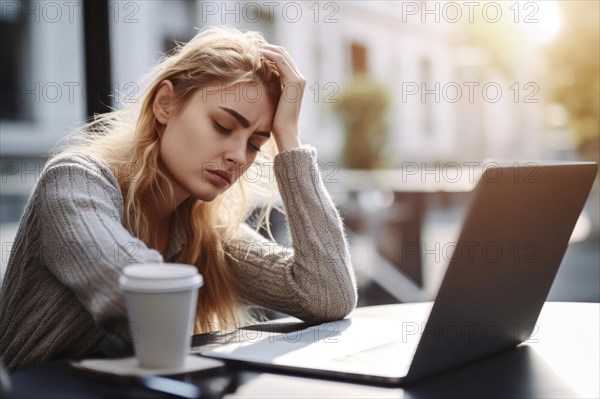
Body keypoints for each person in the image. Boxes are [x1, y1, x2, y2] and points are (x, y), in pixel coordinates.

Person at [0, 26, 357, 372]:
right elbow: (140, 293)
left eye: (255, 144)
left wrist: (289, 140)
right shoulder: (74, 180)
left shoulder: (203, 230)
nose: (237, 156)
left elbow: (328, 294)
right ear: (165, 104)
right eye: (222, 126)